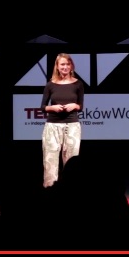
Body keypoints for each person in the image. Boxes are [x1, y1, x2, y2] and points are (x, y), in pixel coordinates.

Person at [40, 53, 84, 188]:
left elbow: (80, 106)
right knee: (50, 161)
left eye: (67, 64)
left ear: (71, 66)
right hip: (52, 126)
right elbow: (43, 107)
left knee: (71, 162)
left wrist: (74, 105)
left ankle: (70, 191)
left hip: (72, 126)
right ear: (57, 67)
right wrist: (52, 108)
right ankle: (49, 191)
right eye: (62, 64)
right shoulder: (50, 85)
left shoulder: (78, 84)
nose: (65, 67)